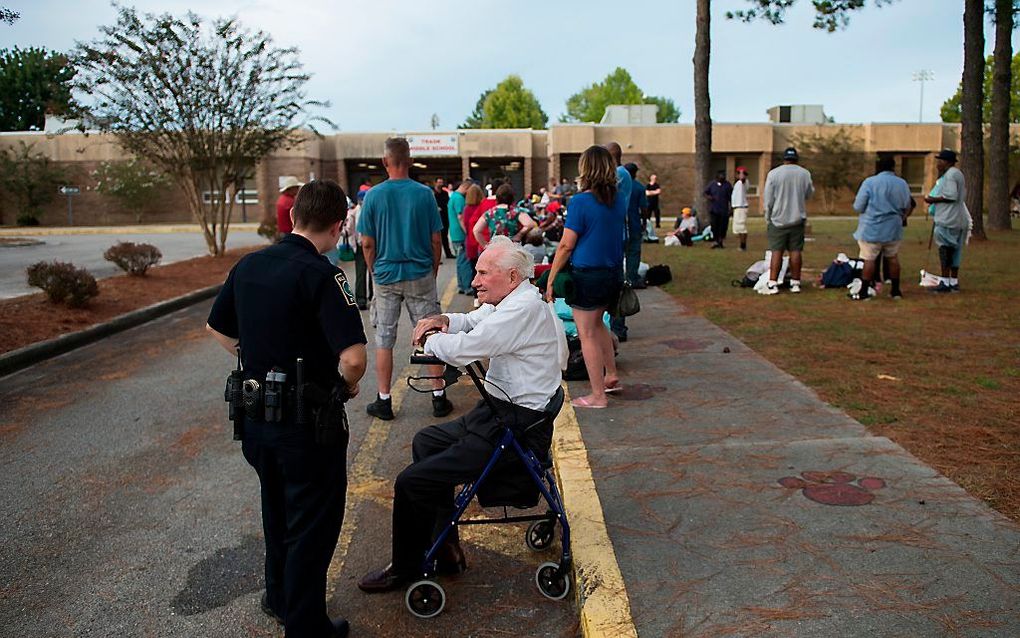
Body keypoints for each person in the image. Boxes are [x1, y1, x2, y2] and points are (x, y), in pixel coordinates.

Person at [357, 236, 566, 593]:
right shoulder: (514, 299)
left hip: (515, 425)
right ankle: (447, 547)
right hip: (502, 412)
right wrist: (442, 320)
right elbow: (472, 320)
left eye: (484, 273)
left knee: (412, 481)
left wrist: (429, 342)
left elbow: (470, 347)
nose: (476, 280)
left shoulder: (522, 309)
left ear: (512, 276)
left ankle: (405, 569)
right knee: (427, 440)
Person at [206, 179, 367, 638]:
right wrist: (343, 387)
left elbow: (217, 328)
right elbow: (354, 358)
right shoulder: (322, 273)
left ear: (293, 216)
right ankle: (305, 625)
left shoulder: (250, 264)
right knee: (312, 524)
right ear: (338, 226)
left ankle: (279, 597)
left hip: (256, 419)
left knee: (275, 510)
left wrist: (256, 356)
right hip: (307, 426)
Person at [358, 137, 453, 420]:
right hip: (420, 272)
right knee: (430, 335)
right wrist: (433, 269)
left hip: (386, 274)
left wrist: (375, 271)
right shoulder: (424, 194)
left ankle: (384, 400)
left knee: (384, 338)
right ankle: (438, 396)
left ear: (385, 162)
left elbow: (367, 243)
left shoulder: (373, 196)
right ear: (409, 161)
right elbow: (436, 239)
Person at [545, 145, 625, 408]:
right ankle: (611, 375)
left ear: (585, 169)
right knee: (599, 325)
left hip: (588, 275)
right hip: (612, 273)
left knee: (586, 333)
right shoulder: (618, 200)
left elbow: (566, 244)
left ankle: (598, 395)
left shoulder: (580, 202)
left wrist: (551, 276)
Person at [850, 157, 913, 300]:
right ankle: (895, 290)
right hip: (893, 227)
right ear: (893, 167)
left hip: (873, 227)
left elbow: (858, 206)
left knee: (869, 258)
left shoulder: (870, 182)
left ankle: (864, 290)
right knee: (892, 257)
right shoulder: (902, 183)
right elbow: (907, 204)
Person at [762, 147, 814, 294]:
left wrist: (768, 217)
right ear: (796, 159)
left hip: (778, 218)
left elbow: (768, 199)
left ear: (784, 159)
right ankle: (795, 282)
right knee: (796, 251)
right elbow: (809, 193)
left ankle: (773, 283)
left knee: (776, 251)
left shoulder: (774, 174)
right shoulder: (804, 173)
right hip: (797, 218)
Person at [924, 149, 971, 293]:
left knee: (945, 249)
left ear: (948, 162)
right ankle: (953, 282)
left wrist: (932, 199)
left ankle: (944, 282)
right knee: (956, 251)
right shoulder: (958, 174)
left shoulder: (950, 175)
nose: (938, 163)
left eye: (941, 161)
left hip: (947, 219)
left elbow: (951, 196)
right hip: (958, 218)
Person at [473, 183, 536, 249]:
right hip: (512, 247)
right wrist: (519, 235)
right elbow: (530, 224)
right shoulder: (515, 211)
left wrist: (485, 245)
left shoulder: (490, 213)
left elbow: (476, 230)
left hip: (495, 248)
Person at [345, 190, 372, 309]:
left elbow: (349, 230)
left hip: (361, 244)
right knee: (371, 271)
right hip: (367, 244)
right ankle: (369, 296)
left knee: (362, 272)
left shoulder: (354, 212)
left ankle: (362, 299)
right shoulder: (369, 211)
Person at [448, 179, 473, 295]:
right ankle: (467, 286)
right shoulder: (459, 198)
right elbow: (460, 217)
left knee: (459, 261)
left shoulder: (453, 196)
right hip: (461, 234)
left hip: (454, 234)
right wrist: (467, 231)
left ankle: (461, 285)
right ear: (466, 187)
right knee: (465, 261)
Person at [704, 170, 733, 249]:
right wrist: (709, 197)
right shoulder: (712, 184)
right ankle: (715, 241)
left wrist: (731, 208)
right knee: (714, 226)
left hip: (724, 209)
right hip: (714, 209)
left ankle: (720, 241)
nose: (722, 176)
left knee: (723, 227)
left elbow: (731, 197)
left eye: (723, 175)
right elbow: (706, 192)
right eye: (720, 175)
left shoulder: (727, 185)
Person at [433, 177, 455, 259]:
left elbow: (448, 203)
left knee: (445, 236)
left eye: (441, 182)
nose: (440, 184)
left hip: (445, 217)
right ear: (435, 183)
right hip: (436, 218)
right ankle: (436, 256)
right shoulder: (432, 194)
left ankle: (448, 253)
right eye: (439, 182)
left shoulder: (445, 193)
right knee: (436, 238)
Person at [731, 166, 750, 251]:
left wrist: (742, 172)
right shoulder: (738, 183)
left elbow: (743, 179)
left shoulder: (743, 182)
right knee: (737, 228)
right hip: (737, 207)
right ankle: (742, 244)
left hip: (741, 207)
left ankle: (743, 245)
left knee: (741, 228)